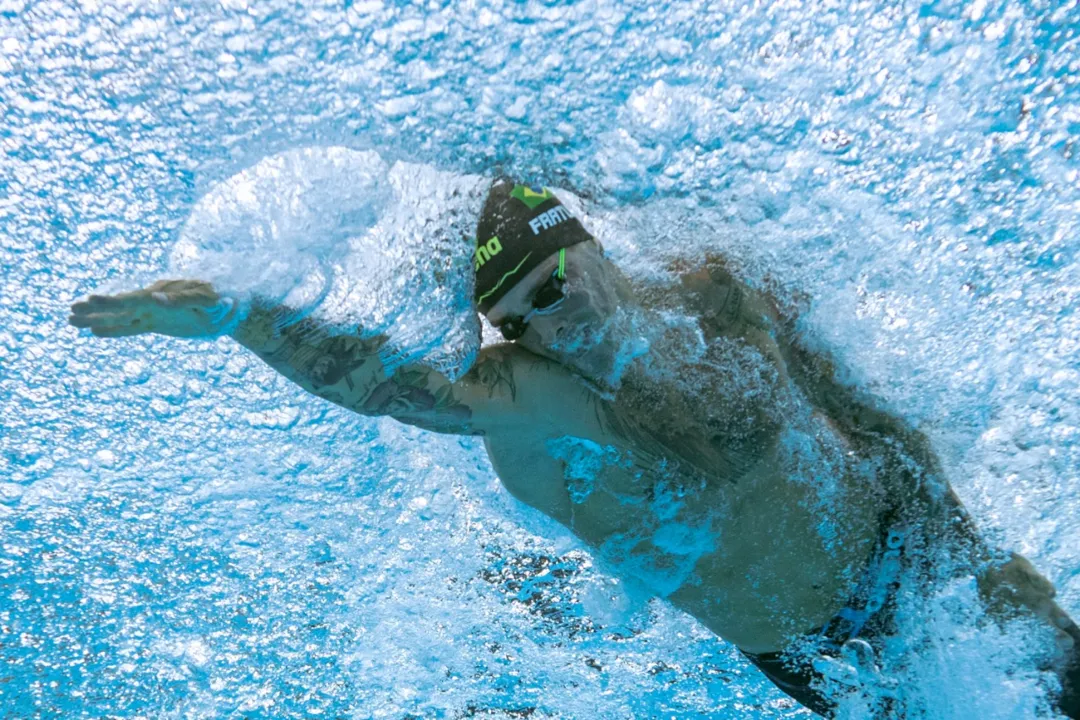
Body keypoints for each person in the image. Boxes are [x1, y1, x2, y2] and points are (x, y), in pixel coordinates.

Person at [69, 176, 1079, 717]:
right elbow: (386, 386)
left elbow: (843, 395)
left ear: (586, 247)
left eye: (552, 289)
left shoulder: (715, 295)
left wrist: (940, 501)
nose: (552, 326)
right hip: (823, 649)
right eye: (519, 320)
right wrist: (238, 317)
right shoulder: (535, 399)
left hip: (920, 536)